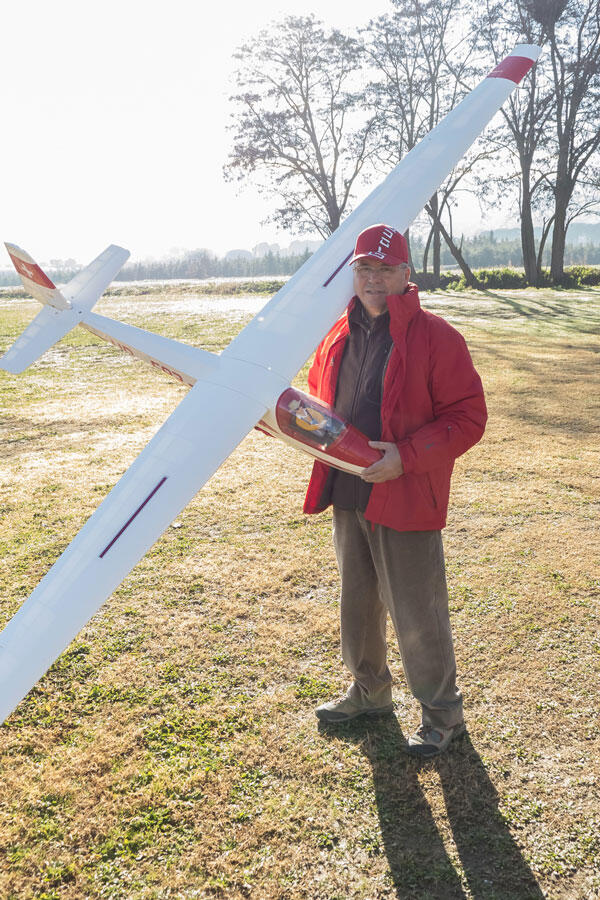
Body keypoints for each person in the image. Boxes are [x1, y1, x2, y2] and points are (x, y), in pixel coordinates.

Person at [303, 223, 487, 757]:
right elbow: (320, 400)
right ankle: (369, 692)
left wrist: (404, 456)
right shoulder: (337, 334)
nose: (374, 279)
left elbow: (468, 418)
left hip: (405, 494)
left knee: (417, 612)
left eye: (386, 269)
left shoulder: (437, 337)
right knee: (357, 603)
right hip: (348, 488)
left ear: (407, 273)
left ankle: (443, 717)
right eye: (365, 268)